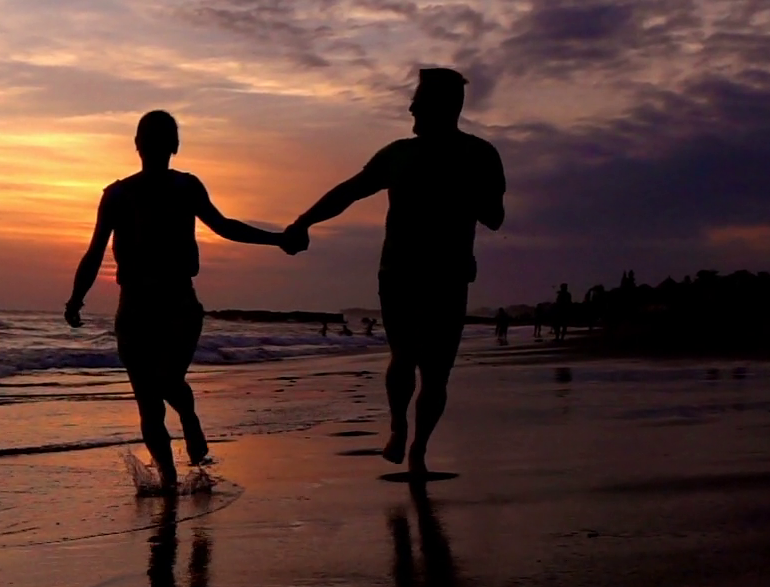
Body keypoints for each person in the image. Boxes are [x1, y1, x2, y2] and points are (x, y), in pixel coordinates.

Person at [67, 110, 303, 492]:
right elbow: (95, 252)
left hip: (178, 303)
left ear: (174, 146)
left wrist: (277, 240)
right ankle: (169, 482)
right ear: (138, 145)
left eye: (165, 139)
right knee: (148, 403)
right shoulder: (117, 195)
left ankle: (190, 420)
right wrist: (76, 298)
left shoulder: (187, 188)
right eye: (152, 138)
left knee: (166, 380)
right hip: (133, 308)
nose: (157, 146)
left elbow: (224, 226)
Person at [285, 68, 504, 475]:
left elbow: (495, 217)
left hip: (449, 275)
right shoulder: (398, 154)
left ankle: (420, 448)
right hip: (398, 273)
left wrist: (464, 190)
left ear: (442, 107)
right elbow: (349, 191)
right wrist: (304, 221)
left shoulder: (480, 154)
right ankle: (398, 425)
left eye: (419, 101)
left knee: (437, 371)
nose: (411, 107)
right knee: (402, 356)